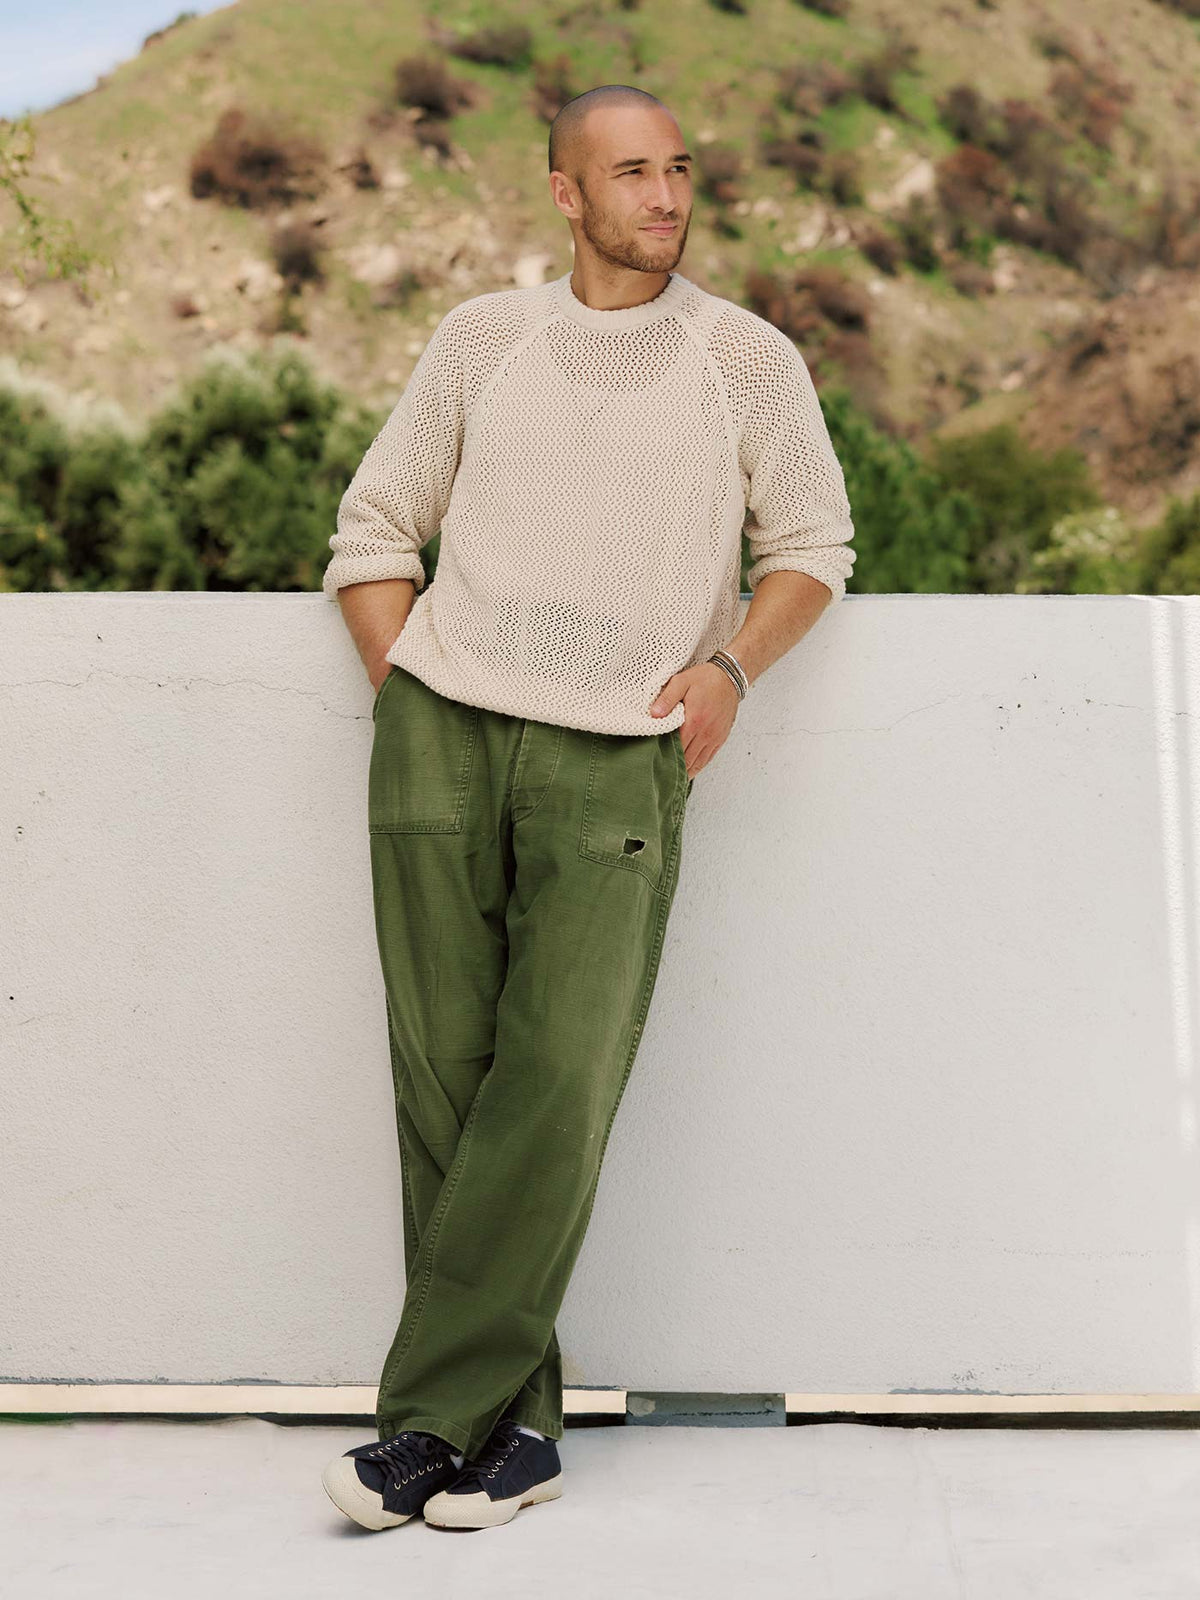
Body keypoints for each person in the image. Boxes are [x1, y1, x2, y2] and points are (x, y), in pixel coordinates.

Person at [320, 82, 856, 1534]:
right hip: (442, 731)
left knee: (555, 1082)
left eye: (678, 169)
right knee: (445, 1082)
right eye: (630, 173)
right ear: (565, 192)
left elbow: (813, 543)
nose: (665, 197)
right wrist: (407, 684)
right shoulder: (482, 339)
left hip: (621, 750)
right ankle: (517, 1436)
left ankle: (422, 1429)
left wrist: (731, 668)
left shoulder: (747, 360)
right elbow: (374, 528)